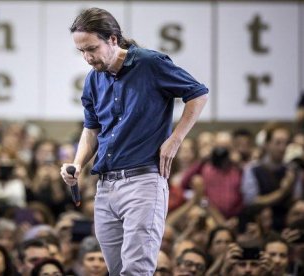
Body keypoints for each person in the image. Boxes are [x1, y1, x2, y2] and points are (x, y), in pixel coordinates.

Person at [60, 7, 208, 275]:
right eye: (81, 51)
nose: (87, 57)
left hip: (144, 182)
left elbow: (198, 94)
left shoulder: (150, 63)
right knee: (116, 272)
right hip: (105, 187)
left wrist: (176, 139)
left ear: (113, 39)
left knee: (136, 271)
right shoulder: (93, 80)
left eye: (92, 48)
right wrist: (78, 163)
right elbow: (91, 129)